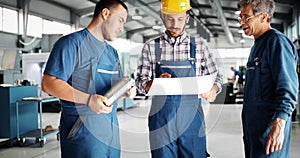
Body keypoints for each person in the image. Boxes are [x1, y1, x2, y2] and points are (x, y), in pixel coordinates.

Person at [41, 0, 136, 157]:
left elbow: (112, 88)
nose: (121, 28)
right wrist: (88, 100)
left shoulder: (112, 53)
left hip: (111, 131)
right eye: (120, 20)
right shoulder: (71, 44)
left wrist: (125, 91)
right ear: (105, 14)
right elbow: (49, 83)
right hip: (83, 132)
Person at [135, 0, 223, 157]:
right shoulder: (151, 47)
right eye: (170, 18)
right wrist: (156, 83)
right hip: (161, 120)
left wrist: (213, 90)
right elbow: (140, 82)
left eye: (180, 19)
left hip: (192, 120)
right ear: (163, 16)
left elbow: (217, 77)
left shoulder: (200, 46)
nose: (175, 24)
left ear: (187, 18)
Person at [239, 0, 299, 157]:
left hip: (269, 133)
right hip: (254, 133)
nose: (241, 22)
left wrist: (279, 125)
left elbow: (288, 87)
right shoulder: (258, 45)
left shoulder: (277, 42)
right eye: (241, 17)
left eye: (246, 17)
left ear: (263, 17)